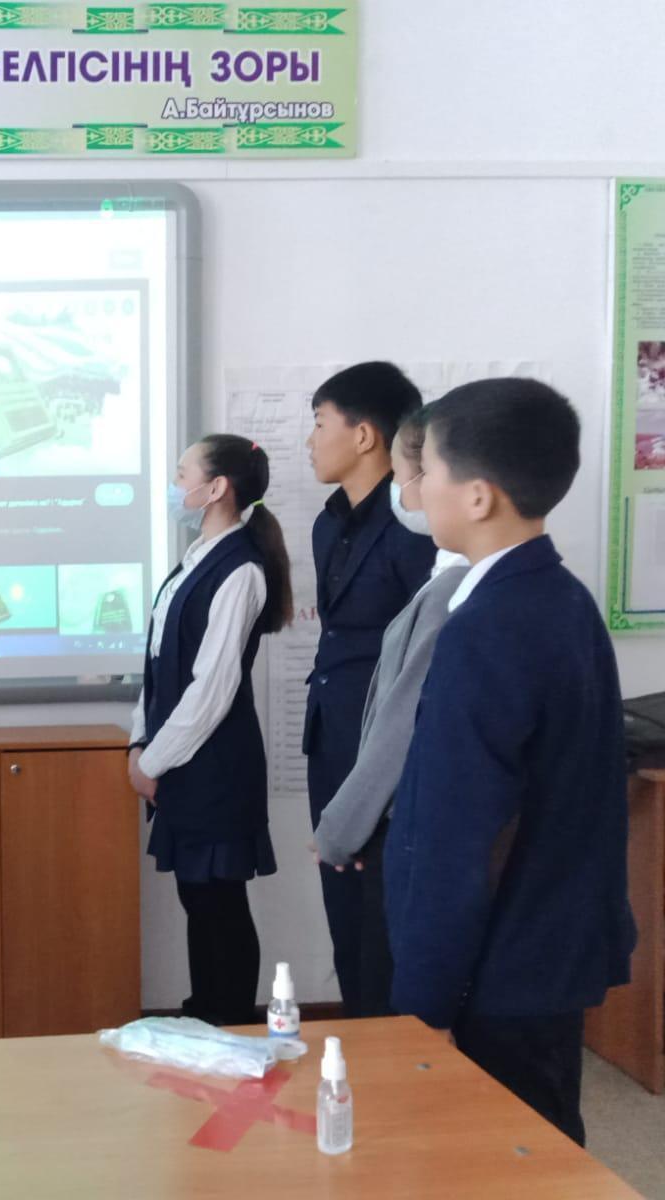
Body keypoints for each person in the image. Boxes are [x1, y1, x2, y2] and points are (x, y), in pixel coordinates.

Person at [385, 378, 636, 1145]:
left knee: (504, 1156)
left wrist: (425, 1000)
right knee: (542, 1142)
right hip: (544, 951)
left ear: (478, 496)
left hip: (500, 964)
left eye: (428, 469)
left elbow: (460, 833)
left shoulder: (489, 627)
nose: (417, 487)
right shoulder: (560, 596)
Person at [127, 435, 294, 1027]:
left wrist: (152, 762)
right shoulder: (197, 557)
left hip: (215, 763)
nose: (175, 486)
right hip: (179, 758)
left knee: (218, 898)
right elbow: (157, 665)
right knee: (197, 897)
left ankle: (229, 1024)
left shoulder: (242, 568)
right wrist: (139, 742)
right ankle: (205, 1019)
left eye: (182, 474)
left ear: (217, 487)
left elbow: (212, 689)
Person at [310, 407, 468, 1016]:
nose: (406, 495)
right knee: (360, 945)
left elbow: (403, 719)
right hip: (367, 784)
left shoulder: (455, 590)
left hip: (401, 804)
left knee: (391, 978)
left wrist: (346, 825)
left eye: (411, 477)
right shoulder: (334, 526)